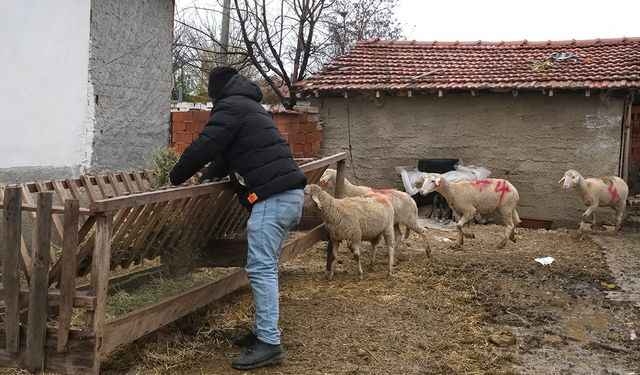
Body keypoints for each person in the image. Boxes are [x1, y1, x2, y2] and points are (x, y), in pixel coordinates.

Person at [169, 66, 307, 370]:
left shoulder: (230, 106)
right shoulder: (250, 107)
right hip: (288, 195)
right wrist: (207, 175)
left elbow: (205, 145)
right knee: (266, 266)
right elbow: (225, 152)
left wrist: (175, 176)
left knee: (261, 269)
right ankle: (260, 331)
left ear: (216, 92)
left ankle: (269, 342)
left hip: (273, 198)